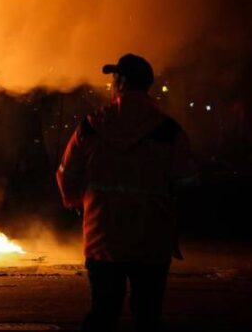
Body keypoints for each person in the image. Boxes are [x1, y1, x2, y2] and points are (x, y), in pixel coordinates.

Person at [56, 53, 197, 332]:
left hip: (103, 239)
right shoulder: (168, 130)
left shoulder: (91, 126)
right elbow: (187, 181)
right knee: (148, 317)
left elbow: (66, 174)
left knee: (103, 314)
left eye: (114, 79)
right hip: (152, 243)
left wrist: (76, 202)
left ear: (119, 83)